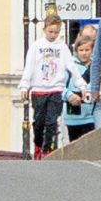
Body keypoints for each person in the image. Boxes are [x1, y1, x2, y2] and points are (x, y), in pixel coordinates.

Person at [15, 12, 88, 156]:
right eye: (51, 31)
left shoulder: (62, 47)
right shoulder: (36, 46)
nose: (53, 35)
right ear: (44, 29)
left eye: (56, 32)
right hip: (38, 89)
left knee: (51, 121)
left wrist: (81, 84)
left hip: (56, 88)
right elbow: (29, 67)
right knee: (39, 121)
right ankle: (38, 144)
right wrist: (25, 85)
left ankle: (47, 149)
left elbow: (72, 67)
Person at [60, 24, 101, 143]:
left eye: (87, 50)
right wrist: (69, 95)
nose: (84, 53)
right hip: (73, 117)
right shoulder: (69, 66)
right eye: (81, 50)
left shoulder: (97, 65)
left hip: (91, 117)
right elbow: (59, 87)